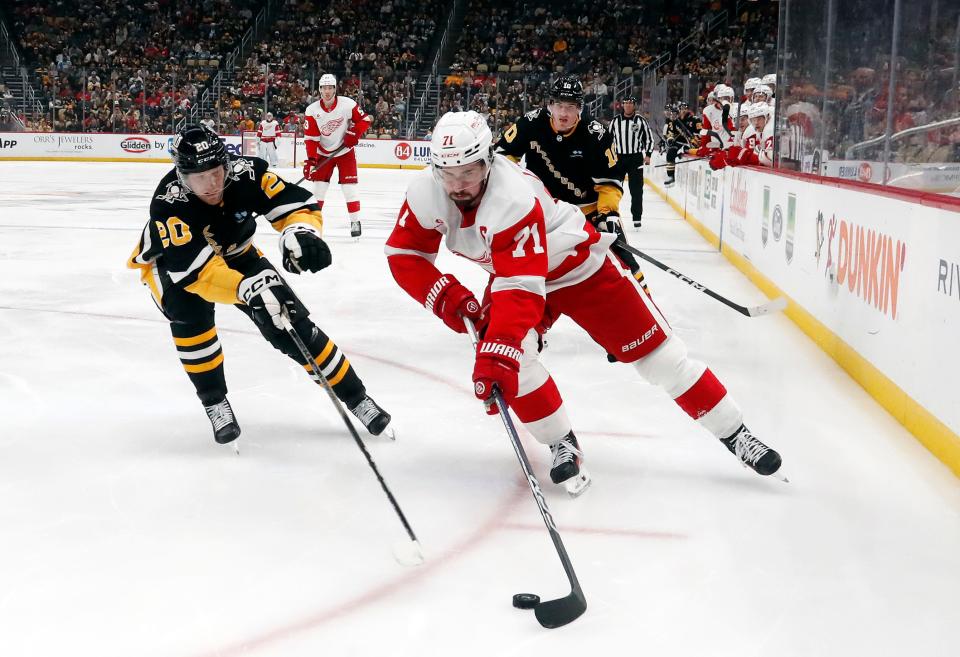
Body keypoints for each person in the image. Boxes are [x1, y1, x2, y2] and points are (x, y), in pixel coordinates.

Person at [385, 111, 783, 492]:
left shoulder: (511, 197)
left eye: (468, 172)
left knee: (660, 359)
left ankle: (736, 433)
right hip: (515, 276)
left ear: (489, 161)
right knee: (516, 364)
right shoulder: (426, 191)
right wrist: (448, 298)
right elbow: (405, 255)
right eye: (448, 174)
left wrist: (496, 355)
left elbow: (521, 289)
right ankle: (561, 441)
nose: (458, 185)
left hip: (577, 269)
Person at [127, 124, 392, 444]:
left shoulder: (246, 173)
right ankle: (214, 401)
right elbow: (198, 276)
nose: (211, 184)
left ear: (227, 164)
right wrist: (247, 288)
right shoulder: (168, 203)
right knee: (190, 316)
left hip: (236, 252)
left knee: (288, 319)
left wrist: (300, 232)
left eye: (216, 172)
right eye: (199, 177)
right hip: (173, 267)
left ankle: (356, 397)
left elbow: (295, 205)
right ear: (182, 177)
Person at [494, 74, 646, 288]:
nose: (563, 113)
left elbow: (610, 180)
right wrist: (509, 193)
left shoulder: (596, 134)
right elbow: (501, 158)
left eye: (571, 106)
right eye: (559, 105)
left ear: (580, 108)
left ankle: (641, 301)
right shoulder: (531, 123)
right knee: (523, 269)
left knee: (626, 265)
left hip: (588, 212)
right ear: (550, 105)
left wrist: (608, 213)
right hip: (545, 213)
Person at [303, 73, 372, 238]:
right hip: (322, 153)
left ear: (335, 89)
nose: (327, 91)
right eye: (324, 88)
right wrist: (311, 161)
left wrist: (354, 133)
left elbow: (365, 120)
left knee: (349, 189)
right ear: (319, 89)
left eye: (330, 88)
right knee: (319, 189)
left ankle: (355, 221)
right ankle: (315, 224)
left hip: (344, 152)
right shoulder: (312, 110)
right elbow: (311, 139)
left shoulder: (347, 104)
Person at [609, 95, 654, 228]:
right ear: (622, 105)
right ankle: (611, 213)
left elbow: (649, 139)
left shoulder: (641, 120)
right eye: (626, 103)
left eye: (630, 103)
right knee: (614, 187)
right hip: (619, 158)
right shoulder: (615, 121)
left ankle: (637, 217)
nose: (628, 105)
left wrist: (648, 155)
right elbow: (608, 140)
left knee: (636, 189)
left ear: (634, 105)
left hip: (636, 158)